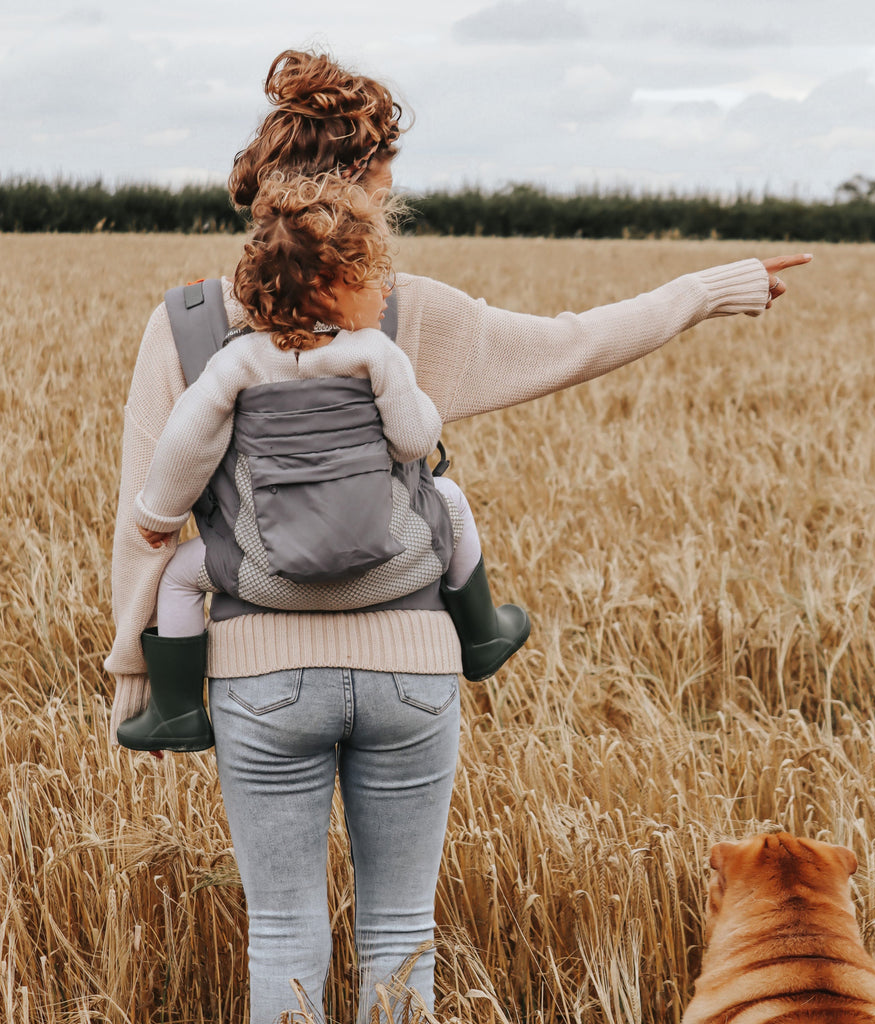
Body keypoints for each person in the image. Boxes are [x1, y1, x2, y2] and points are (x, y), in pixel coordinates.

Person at [104, 47, 811, 1024]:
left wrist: (136, 675)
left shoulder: (184, 327)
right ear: (361, 187)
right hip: (412, 666)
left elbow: (145, 522)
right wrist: (709, 287)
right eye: (388, 185)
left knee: (282, 936)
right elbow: (575, 340)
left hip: (259, 675)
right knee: (399, 933)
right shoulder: (401, 314)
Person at [116, 172, 529, 753]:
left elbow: (185, 444)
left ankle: (178, 710)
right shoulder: (373, 353)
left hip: (264, 576)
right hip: (390, 564)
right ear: (327, 289)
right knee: (452, 501)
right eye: (371, 279)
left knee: (182, 575)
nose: (386, 291)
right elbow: (413, 441)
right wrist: (423, 409)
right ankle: (483, 635)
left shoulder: (239, 363)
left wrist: (157, 517)